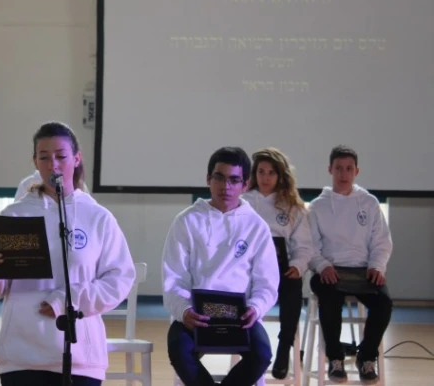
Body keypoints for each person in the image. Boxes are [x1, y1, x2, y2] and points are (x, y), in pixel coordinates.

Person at [0, 121, 135, 386]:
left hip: (81, 356)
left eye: (61, 156)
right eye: (44, 157)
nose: (53, 165)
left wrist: (65, 302)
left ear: (77, 159)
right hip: (21, 354)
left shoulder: (97, 217)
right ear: (35, 162)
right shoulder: (15, 215)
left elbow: (119, 280)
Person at [163, 146, 279, 386]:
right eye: (219, 177)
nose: (226, 187)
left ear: (245, 185)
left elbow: (267, 283)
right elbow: (173, 278)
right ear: (208, 179)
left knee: (262, 354)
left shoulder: (256, 227)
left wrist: (255, 308)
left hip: (239, 316)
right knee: (179, 349)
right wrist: (184, 311)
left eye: (234, 180)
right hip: (197, 313)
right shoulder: (187, 221)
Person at [308, 145, 392, 383]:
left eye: (348, 169)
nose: (343, 174)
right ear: (330, 170)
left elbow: (382, 241)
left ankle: (366, 357)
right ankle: (335, 359)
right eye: (338, 168)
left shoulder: (369, 202)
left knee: (384, 303)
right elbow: (310, 246)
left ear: (357, 171)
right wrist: (323, 265)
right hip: (330, 270)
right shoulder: (317, 206)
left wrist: (377, 266)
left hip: (362, 270)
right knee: (330, 299)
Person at [243, 147, 312, 379]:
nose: (265, 177)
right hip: (247, 268)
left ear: (280, 175)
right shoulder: (243, 201)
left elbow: (303, 245)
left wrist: (298, 265)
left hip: (281, 264)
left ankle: (284, 349)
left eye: (271, 173)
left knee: (293, 289)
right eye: (261, 172)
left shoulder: (292, 206)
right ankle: (243, 345)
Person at [14, 169, 90, 201]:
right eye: (45, 157)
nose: (53, 163)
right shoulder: (27, 183)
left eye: (60, 156)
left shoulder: (78, 184)